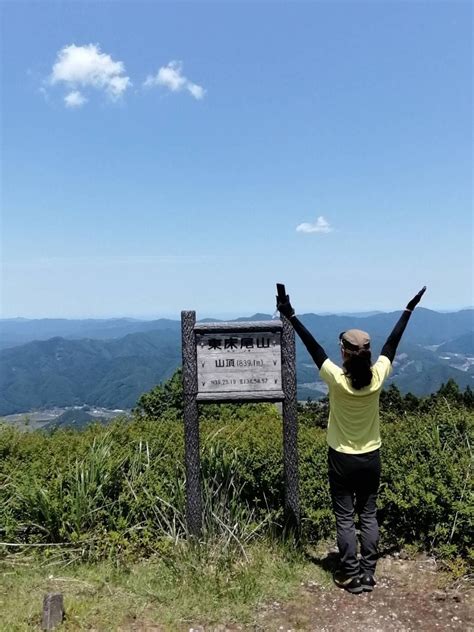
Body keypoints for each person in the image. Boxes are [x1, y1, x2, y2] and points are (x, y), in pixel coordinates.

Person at [276, 286, 427, 594]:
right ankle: (369, 573)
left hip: (341, 457)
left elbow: (313, 346)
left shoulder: (336, 379)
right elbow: (392, 344)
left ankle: (349, 574)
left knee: (345, 517)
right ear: (368, 354)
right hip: (371, 456)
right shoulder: (378, 377)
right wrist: (408, 310)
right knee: (368, 513)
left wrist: (290, 314)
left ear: (343, 352)